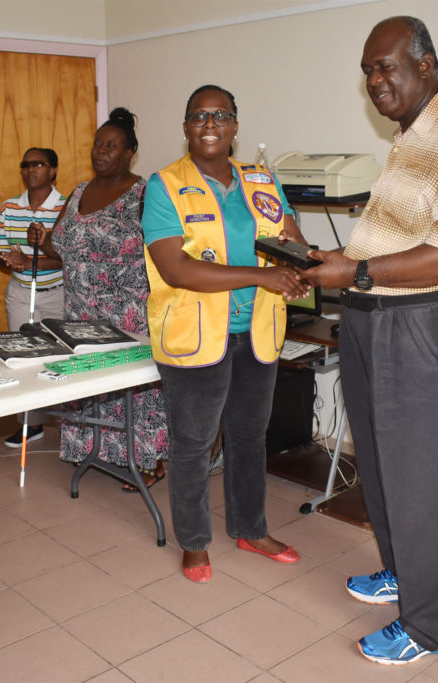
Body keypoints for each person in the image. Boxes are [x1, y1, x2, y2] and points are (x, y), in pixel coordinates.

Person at [301, 17, 438, 665]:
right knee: (386, 467)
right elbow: (399, 237)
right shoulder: (408, 138)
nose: (375, 80)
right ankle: (404, 574)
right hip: (377, 321)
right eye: (367, 70)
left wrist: (355, 271)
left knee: (431, 480)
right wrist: (336, 262)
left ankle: (435, 625)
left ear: (426, 63)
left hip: (428, 329)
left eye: (385, 66)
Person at [141, 85, 311, 583]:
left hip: (256, 330)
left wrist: (302, 265)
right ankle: (194, 543)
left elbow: (291, 238)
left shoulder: (261, 180)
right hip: (195, 335)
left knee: (249, 436)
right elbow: (175, 268)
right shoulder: (165, 185)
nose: (210, 124)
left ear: (236, 125)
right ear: (186, 127)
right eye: (199, 115)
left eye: (220, 115)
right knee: (193, 442)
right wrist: (262, 276)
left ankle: (251, 529)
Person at [33, 108, 167, 491]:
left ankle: (148, 459)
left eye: (111, 145)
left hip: (126, 314)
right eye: (98, 143)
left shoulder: (145, 194)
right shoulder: (78, 191)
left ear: (130, 153)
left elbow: (162, 250)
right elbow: (61, 247)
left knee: (133, 390)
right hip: (79, 314)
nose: (101, 151)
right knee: (91, 384)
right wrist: (39, 242)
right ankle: (90, 448)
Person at [0, 147, 66, 448]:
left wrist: (30, 261)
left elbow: (68, 258)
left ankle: (69, 424)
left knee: (60, 357)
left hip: (58, 293)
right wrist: (9, 260)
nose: (30, 169)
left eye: (38, 164)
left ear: (53, 170)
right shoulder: (9, 207)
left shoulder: (66, 206)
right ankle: (31, 424)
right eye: (25, 164)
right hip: (21, 293)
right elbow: (0, 250)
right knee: (23, 358)